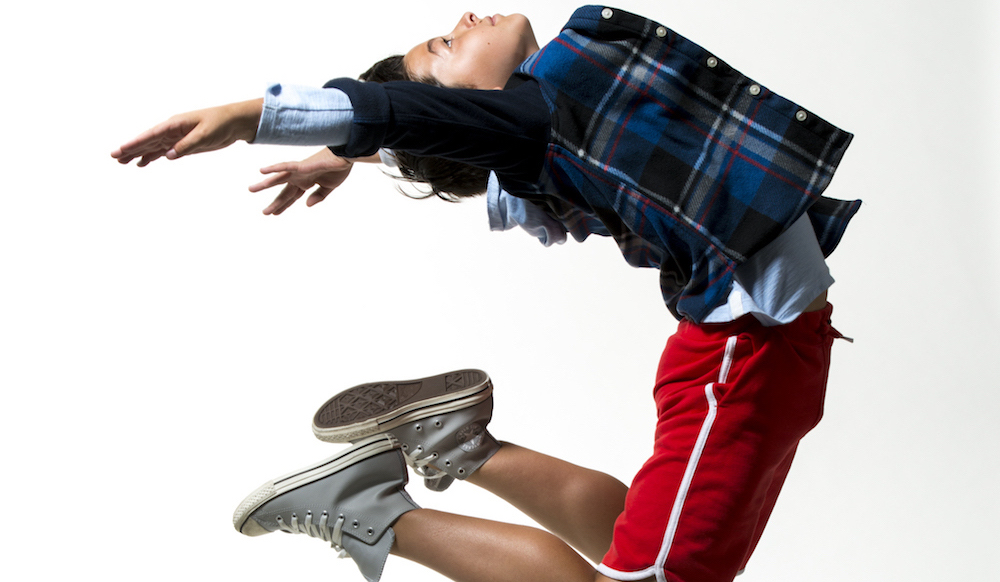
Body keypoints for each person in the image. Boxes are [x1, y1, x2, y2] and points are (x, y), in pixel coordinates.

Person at [112, 6, 858, 582]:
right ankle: (374, 515)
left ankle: (458, 446)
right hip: (746, 360)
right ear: (470, 105)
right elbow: (414, 115)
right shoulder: (538, 123)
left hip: (763, 355)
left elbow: (435, 127)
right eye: (445, 46)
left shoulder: (567, 122)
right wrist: (258, 118)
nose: (464, 20)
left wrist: (353, 153)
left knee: (636, 530)